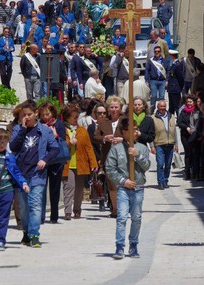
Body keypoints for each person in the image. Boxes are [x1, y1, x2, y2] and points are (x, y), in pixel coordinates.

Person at [9, 100, 60, 248]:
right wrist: (23, 129)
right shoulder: (18, 130)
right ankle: (26, 231)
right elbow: (13, 147)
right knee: (23, 207)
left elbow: (55, 148)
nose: (27, 117)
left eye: (29, 114)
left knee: (35, 205)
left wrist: (45, 159)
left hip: (37, 174)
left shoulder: (45, 131)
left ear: (36, 113)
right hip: (21, 174)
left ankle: (35, 234)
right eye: (24, 115)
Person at [106, 118, 151, 260]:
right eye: (131, 129)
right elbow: (110, 168)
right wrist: (123, 181)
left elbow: (147, 166)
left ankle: (133, 244)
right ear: (124, 132)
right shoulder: (116, 149)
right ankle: (119, 246)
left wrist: (138, 155)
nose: (134, 132)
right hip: (123, 189)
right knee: (122, 217)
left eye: (135, 128)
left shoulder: (142, 148)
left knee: (136, 217)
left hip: (138, 188)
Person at [0, 129, 29, 251]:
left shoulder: (10, 157)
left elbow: (16, 172)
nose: (2, 144)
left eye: (4, 142)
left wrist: (23, 183)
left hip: (7, 190)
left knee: (3, 217)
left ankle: (0, 240)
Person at [61, 104, 98, 220]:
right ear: (66, 117)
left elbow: (89, 148)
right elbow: (58, 146)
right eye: (73, 117)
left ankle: (77, 210)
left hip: (81, 163)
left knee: (79, 189)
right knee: (69, 187)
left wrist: (93, 163)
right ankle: (67, 211)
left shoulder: (82, 131)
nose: (75, 119)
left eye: (76, 116)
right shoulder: (61, 130)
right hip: (67, 164)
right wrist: (69, 143)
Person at [93, 96, 125, 218]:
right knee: (112, 185)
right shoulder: (103, 122)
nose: (114, 109)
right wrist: (104, 138)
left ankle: (124, 208)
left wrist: (122, 139)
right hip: (108, 158)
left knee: (122, 184)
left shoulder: (125, 120)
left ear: (120, 108)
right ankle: (115, 209)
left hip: (123, 158)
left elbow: (133, 135)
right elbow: (95, 137)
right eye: (111, 107)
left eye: (116, 107)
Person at [38, 102, 67, 224]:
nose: (46, 117)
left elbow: (63, 140)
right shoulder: (39, 125)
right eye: (43, 114)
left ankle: (54, 216)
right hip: (43, 160)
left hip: (56, 161)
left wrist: (55, 135)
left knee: (55, 189)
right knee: (41, 189)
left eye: (48, 114)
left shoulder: (59, 124)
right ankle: (41, 216)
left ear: (53, 113)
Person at [151, 100, 178, 189]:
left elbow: (174, 132)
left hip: (170, 143)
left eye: (164, 106)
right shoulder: (153, 118)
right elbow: (151, 133)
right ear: (157, 107)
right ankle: (160, 181)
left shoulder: (172, 116)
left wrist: (176, 144)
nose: (162, 108)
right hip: (159, 144)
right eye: (160, 106)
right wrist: (152, 146)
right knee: (160, 163)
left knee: (168, 164)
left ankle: (165, 180)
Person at [177, 95, 202, 181]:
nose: (189, 103)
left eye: (190, 102)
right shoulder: (183, 111)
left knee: (195, 153)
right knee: (187, 153)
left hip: (195, 135)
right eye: (187, 102)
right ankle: (187, 172)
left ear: (194, 102)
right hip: (185, 134)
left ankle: (196, 172)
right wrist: (186, 127)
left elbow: (200, 122)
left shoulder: (197, 111)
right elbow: (179, 122)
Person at [166, 49, 184, 116]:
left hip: (175, 89)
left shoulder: (177, 65)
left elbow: (181, 78)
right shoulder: (173, 64)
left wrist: (180, 87)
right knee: (171, 106)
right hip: (171, 89)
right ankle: (170, 120)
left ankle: (179, 119)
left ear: (172, 56)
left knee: (177, 106)